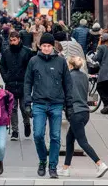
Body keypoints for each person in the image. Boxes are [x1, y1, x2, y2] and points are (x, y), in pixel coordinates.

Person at [23, 33, 73, 179]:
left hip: (56, 103)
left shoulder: (61, 62)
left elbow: (68, 84)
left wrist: (69, 105)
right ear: (40, 46)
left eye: (48, 46)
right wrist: (27, 103)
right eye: (44, 46)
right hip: (39, 103)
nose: (46, 48)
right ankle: (42, 160)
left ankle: (52, 166)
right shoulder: (33, 61)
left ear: (53, 47)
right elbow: (27, 82)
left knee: (55, 137)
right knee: (38, 135)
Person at [58, 56, 108, 178]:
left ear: (70, 65)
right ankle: (66, 168)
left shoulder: (68, 77)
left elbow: (66, 94)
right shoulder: (84, 76)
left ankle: (100, 164)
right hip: (85, 112)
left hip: (75, 112)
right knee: (70, 139)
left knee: (82, 141)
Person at [0, 30, 33, 140]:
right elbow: (2, 66)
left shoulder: (26, 52)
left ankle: (27, 123)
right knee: (12, 108)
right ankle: (15, 131)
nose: (12, 42)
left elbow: (31, 67)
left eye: (14, 40)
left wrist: (28, 80)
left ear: (19, 39)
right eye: (11, 40)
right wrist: (6, 78)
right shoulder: (6, 52)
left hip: (23, 83)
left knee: (24, 107)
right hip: (11, 84)